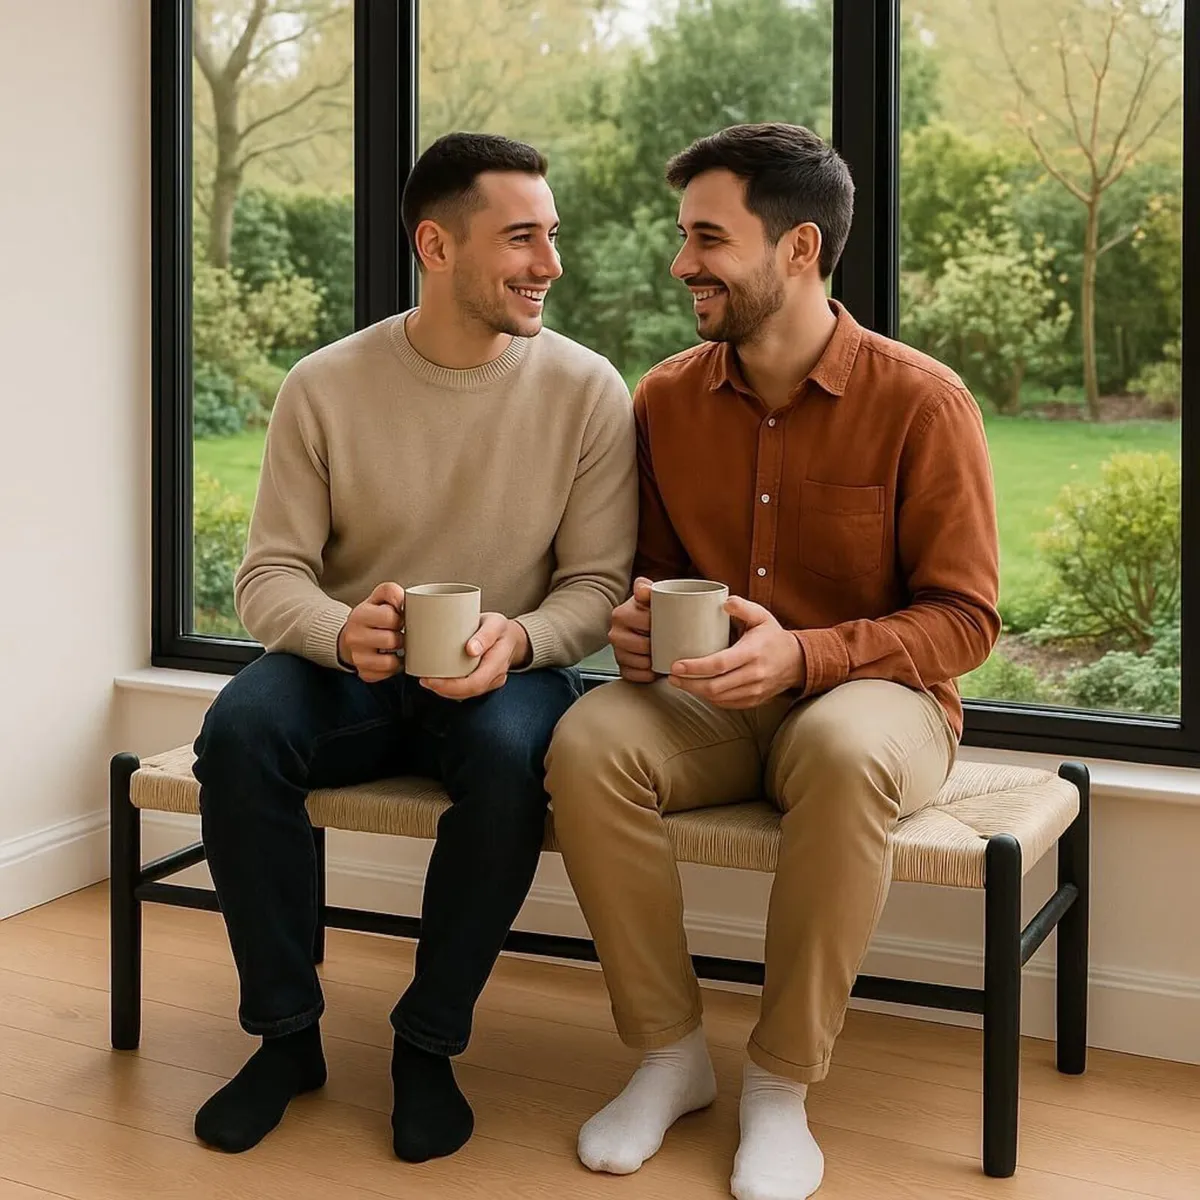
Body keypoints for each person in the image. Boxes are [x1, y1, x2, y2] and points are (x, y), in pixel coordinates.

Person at [545, 122, 1000, 1200]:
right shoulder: (663, 399)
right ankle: (669, 1055)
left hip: (879, 706)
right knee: (587, 738)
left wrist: (805, 656)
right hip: (711, 708)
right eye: (682, 235)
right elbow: (651, 573)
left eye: (708, 237)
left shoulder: (921, 401)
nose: (681, 262)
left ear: (799, 250)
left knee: (840, 747)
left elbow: (969, 618)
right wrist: (635, 626)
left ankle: (781, 1087)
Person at [190, 132, 636, 1163]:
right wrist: (342, 633)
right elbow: (268, 580)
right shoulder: (326, 385)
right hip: (350, 668)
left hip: (504, 676)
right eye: (522, 238)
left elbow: (598, 587)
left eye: (552, 235)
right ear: (436, 246)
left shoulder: (587, 390)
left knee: (509, 763)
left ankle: (427, 1045)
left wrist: (517, 639)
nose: (551, 265)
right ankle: (285, 1038)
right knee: (241, 733)